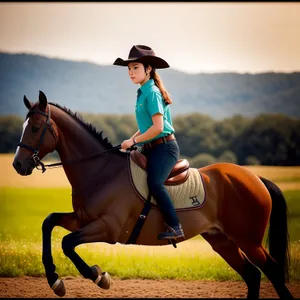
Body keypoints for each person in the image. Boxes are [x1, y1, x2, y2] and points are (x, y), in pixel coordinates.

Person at [113, 45, 185, 240]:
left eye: (135, 67)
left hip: (164, 148)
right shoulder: (142, 92)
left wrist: (134, 140)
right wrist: (131, 140)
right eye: (129, 68)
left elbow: (158, 128)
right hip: (151, 147)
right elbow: (147, 128)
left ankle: (175, 226)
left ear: (148, 69)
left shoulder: (151, 92)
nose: (131, 72)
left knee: (154, 183)